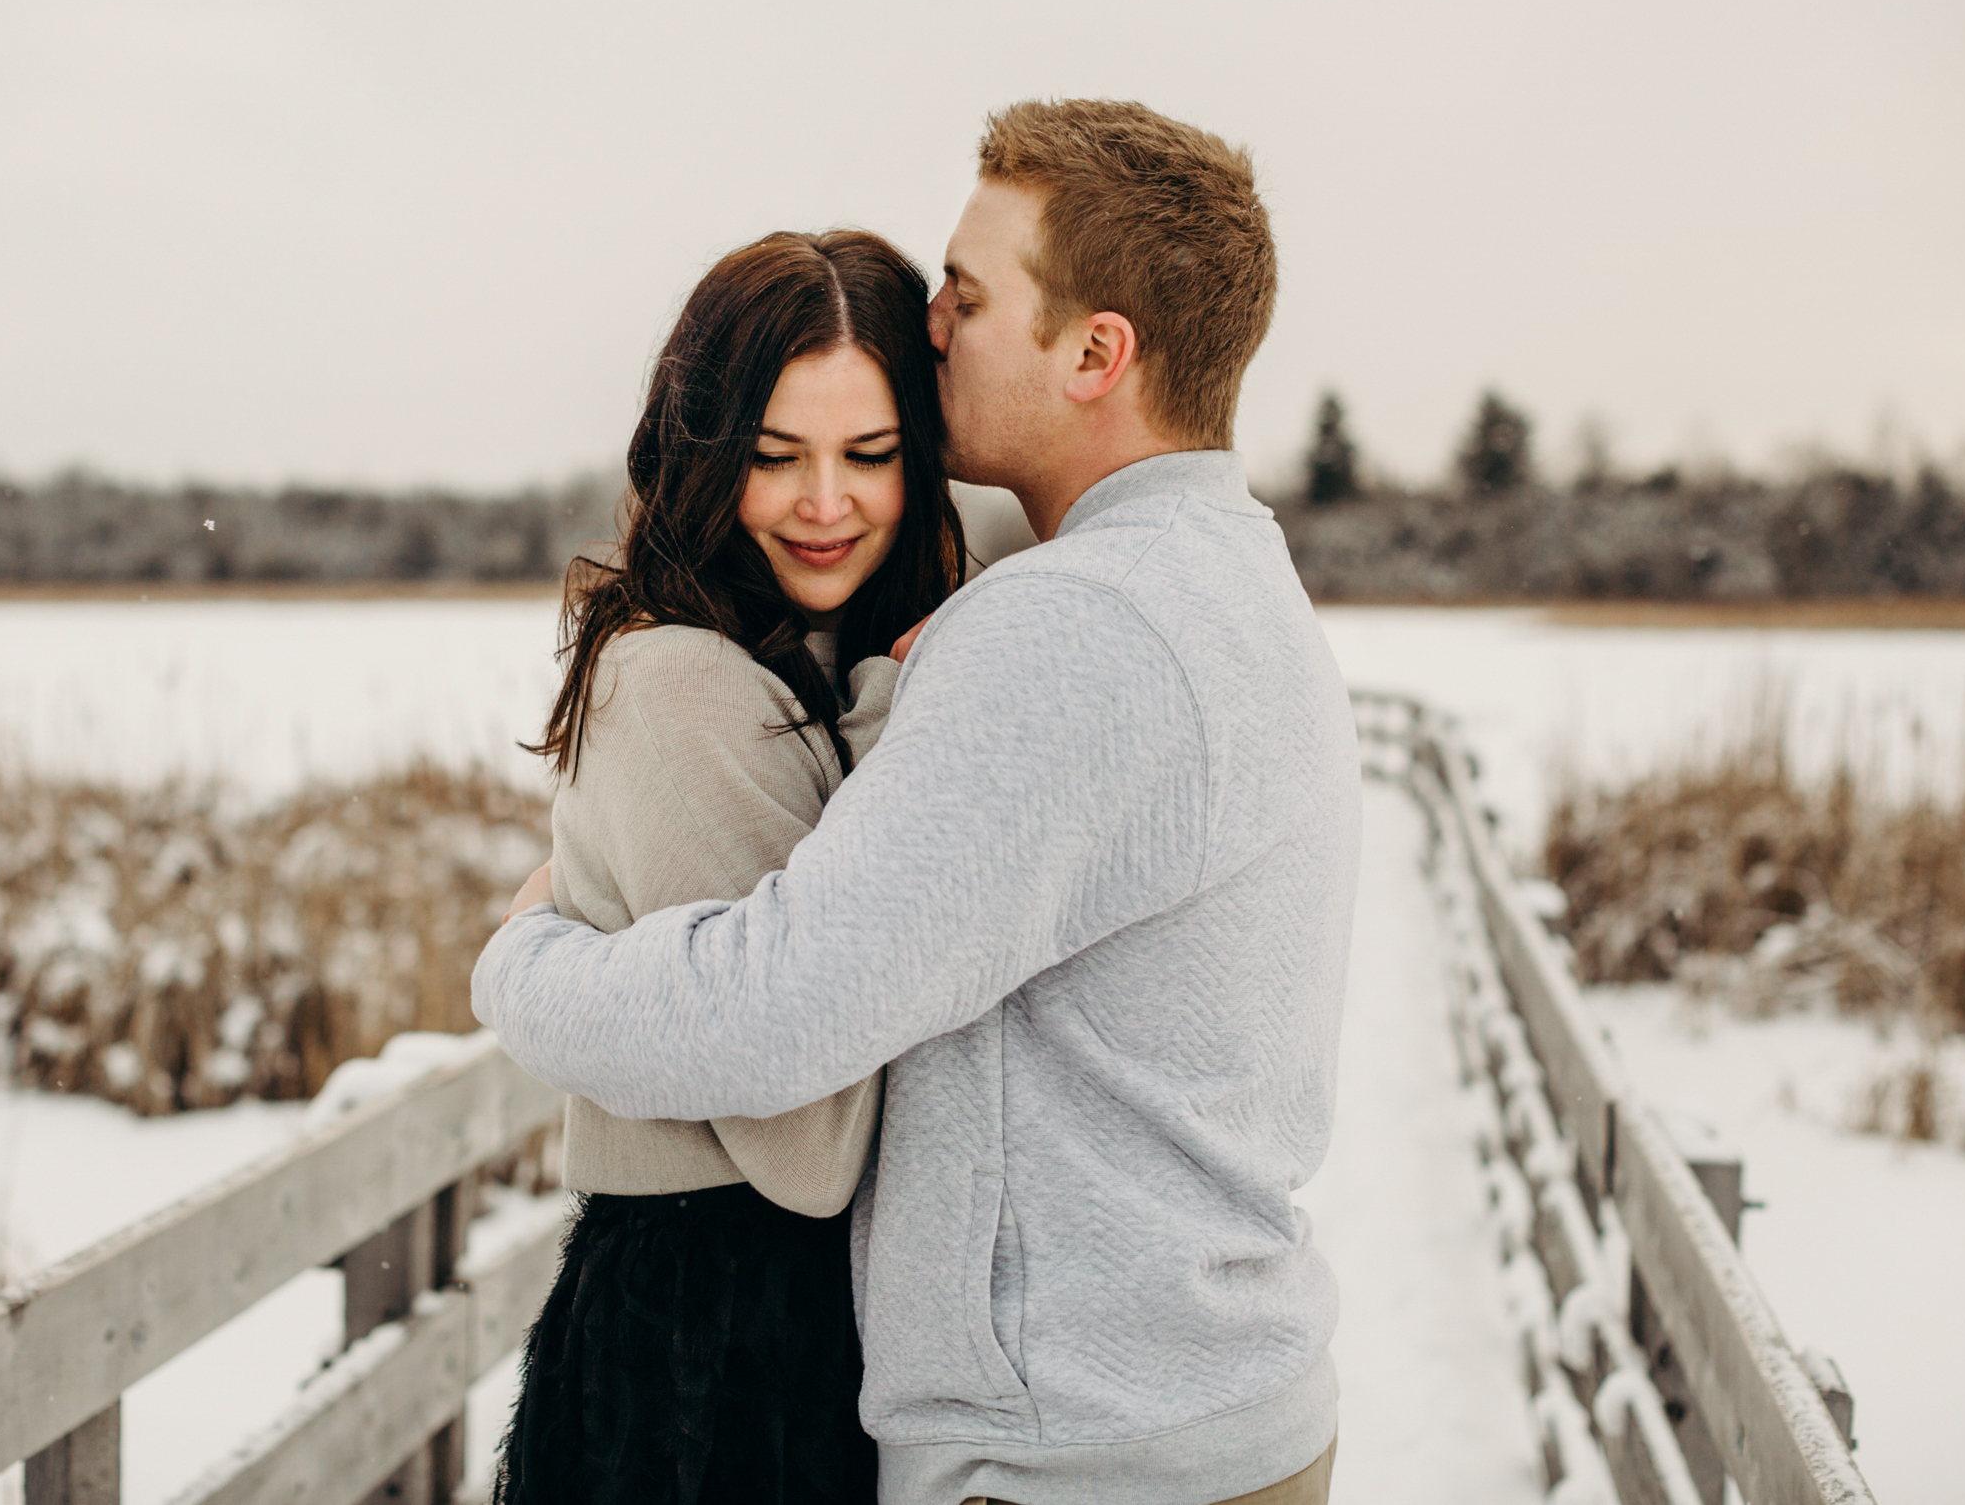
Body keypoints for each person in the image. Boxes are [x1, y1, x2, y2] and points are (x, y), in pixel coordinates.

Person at [476, 99, 1359, 1505]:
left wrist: (527, 969)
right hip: (1192, 1403)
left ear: (1096, 351)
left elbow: (778, 1016)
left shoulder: (1075, 626)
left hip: (1076, 1450)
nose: (932, 322)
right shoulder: (1227, 575)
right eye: (776, 452)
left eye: (967, 293)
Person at [492, 229, 966, 1505]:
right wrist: (897, 712)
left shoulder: (794, 664)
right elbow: (807, 1144)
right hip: (718, 1354)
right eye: (775, 458)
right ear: (704, 457)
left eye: (870, 455)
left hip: (771, 1324)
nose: (828, 501)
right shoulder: (687, 683)